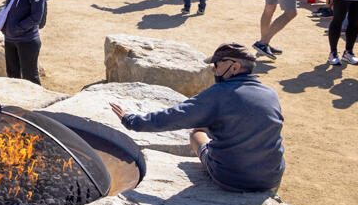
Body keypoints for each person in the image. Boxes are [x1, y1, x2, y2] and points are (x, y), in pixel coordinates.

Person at [110, 43, 285, 193]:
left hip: (230, 178)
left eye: (216, 65)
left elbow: (173, 117)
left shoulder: (218, 94)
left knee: (196, 133)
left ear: (235, 67)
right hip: (272, 177)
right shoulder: (270, 93)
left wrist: (131, 120)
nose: (213, 69)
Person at [2, 0, 46, 85]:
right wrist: (5, 27)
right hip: (9, 39)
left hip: (27, 40)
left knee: (30, 78)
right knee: (12, 76)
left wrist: (18, 28)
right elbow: (8, 7)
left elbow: (36, 17)